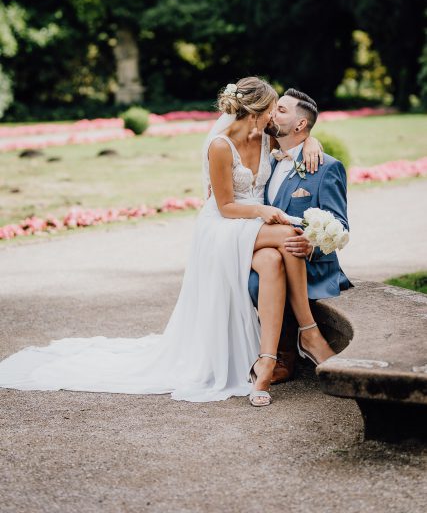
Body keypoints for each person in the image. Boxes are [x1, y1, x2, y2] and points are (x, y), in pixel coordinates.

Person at [0, 77, 334, 406]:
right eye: (272, 110)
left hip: (252, 226)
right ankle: (309, 332)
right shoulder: (220, 145)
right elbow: (225, 206)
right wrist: (261, 209)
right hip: (224, 225)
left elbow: (298, 137)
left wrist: (311, 142)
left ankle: (266, 362)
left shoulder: (265, 139)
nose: (275, 117)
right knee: (292, 235)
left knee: (274, 260)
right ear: (255, 111)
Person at [249, 88, 352, 384]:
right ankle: (285, 346)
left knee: (263, 278)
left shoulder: (326, 167)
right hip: (269, 253)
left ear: (300, 125)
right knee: (263, 271)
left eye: (281, 110)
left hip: (309, 262)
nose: (272, 113)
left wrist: (312, 243)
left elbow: (340, 225)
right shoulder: (266, 157)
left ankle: (284, 353)